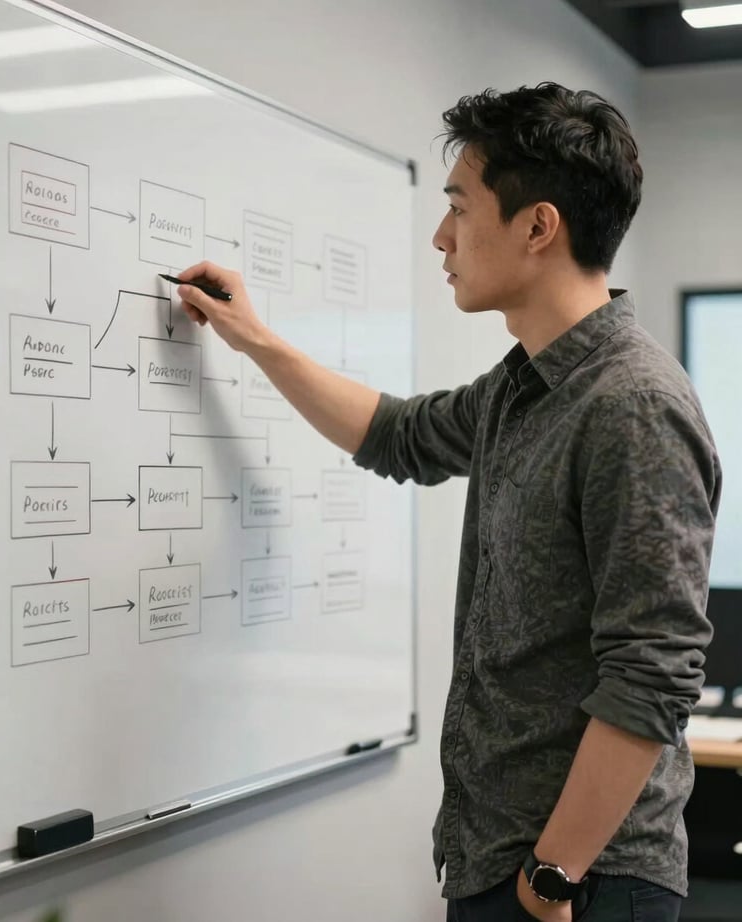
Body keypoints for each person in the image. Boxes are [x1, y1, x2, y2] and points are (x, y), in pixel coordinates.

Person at [175, 82, 721, 922]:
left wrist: (551, 879)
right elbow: (395, 434)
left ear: (538, 227)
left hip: (583, 882)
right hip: (501, 859)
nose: (441, 235)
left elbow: (652, 675)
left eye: (460, 207)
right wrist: (255, 339)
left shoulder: (631, 406)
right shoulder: (522, 389)